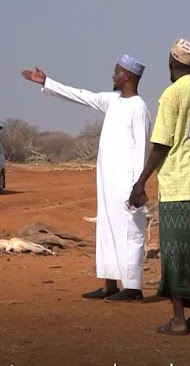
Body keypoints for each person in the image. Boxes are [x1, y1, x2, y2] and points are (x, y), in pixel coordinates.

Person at [21, 55, 152, 302]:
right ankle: (110, 284)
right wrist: (47, 82)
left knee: (130, 233)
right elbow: (81, 95)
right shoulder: (112, 100)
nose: (112, 76)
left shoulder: (139, 107)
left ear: (128, 77)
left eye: (116, 72)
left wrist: (139, 185)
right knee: (107, 230)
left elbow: (143, 149)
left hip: (128, 184)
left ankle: (133, 288)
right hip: (107, 182)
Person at [128, 38, 190, 336]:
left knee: (175, 254)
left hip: (176, 187)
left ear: (172, 63)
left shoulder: (171, 95)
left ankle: (178, 319)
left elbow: (161, 143)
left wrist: (141, 181)